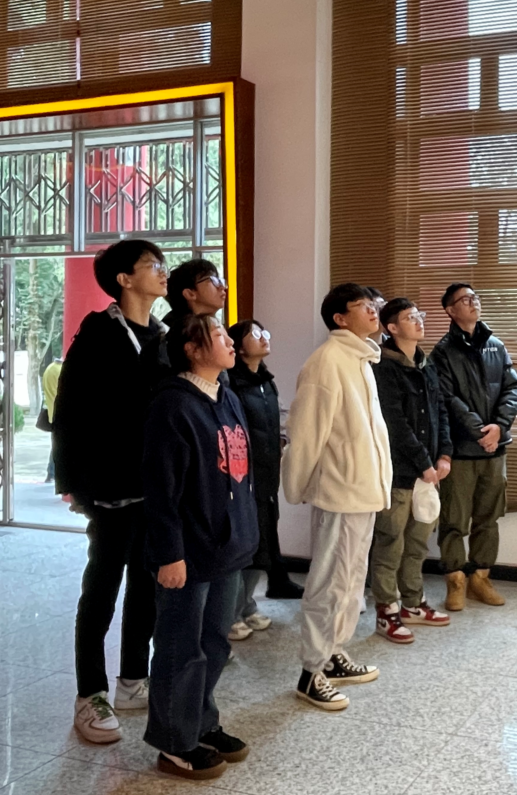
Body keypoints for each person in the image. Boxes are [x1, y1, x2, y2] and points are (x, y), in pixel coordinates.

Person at [52, 239, 168, 744]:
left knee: (147, 586)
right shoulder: (99, 333)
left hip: (154, 486)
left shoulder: (162, 334)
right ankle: (90, 693)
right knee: (101, 588)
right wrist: (75, 486)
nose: (162, 271)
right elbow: (70, 412)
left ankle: (133, 680)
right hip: (110, 488)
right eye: (152, 265)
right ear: (124, 279)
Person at [143, 314, 258, 780]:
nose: (230, 341)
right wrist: (169, 554)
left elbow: (241, 476)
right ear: (191, 349)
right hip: (188, 552)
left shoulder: (227, 396)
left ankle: (202, 723)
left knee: (214, 643)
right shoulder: (172, 404)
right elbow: (161, 489)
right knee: (180, 647)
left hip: (226, 547)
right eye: (219, 335)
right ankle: (174, 741)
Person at [283, 283, 392, 710]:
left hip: (362, 490)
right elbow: (306, 433)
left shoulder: (360, 358)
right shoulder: (326, 361)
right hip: (339, 491)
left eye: (373, 305)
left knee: (351, 581)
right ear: (340, 318)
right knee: (328, 583)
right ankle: (311, 672)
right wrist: (297, 486)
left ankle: (333, 654)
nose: (373, 311)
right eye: (363, 306)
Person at [432, 283, 517, 611]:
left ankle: (481, 579)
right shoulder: (442, 352)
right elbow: (447, 398)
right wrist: (478, 431)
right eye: (465, 299)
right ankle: (455, 581)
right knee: (454, 520)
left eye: (475, 297)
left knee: (489, 517)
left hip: (494, 449)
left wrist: (499, 426)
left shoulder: (495, 346)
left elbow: (512, 387)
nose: (473, 302)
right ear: (450, 310)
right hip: (460, 451)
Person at [369, 298, 453, 643]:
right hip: (401, 472)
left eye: (419, 315)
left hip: (429, 472)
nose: (419, 321)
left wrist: (444, 455)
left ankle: (412, 603)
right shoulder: (383, 367)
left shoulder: (425, 363)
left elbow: (441, 411)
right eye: (410, 317)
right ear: (391, 328)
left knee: (418, 543)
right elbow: (395, 424)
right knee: (391, 543)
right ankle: (386, 611)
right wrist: (423, 463)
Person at [226, 318, 302, 643]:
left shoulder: (265, 381)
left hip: (268, 475)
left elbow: (277, 421)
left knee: (263, 543)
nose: (263, 337)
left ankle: (247, 605)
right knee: (245, 547)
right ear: (239, 347)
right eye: (254, 334)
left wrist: (282, 441)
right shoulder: (232, 383)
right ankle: (230, 615)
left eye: (264, 332)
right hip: (243, 479)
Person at [164, 259, 228, 328]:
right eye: (212, 280)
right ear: (190, 294)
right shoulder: (179, 331)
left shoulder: (211, 326)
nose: (222, 287)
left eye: (219, 280)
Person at [39, 356, 62, 483]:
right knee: (58, 445)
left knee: (56, 444)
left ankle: (51, 473)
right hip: (61, 414)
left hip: (52, 413)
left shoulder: (49, 369)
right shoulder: (61, 370)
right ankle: (52, 473)